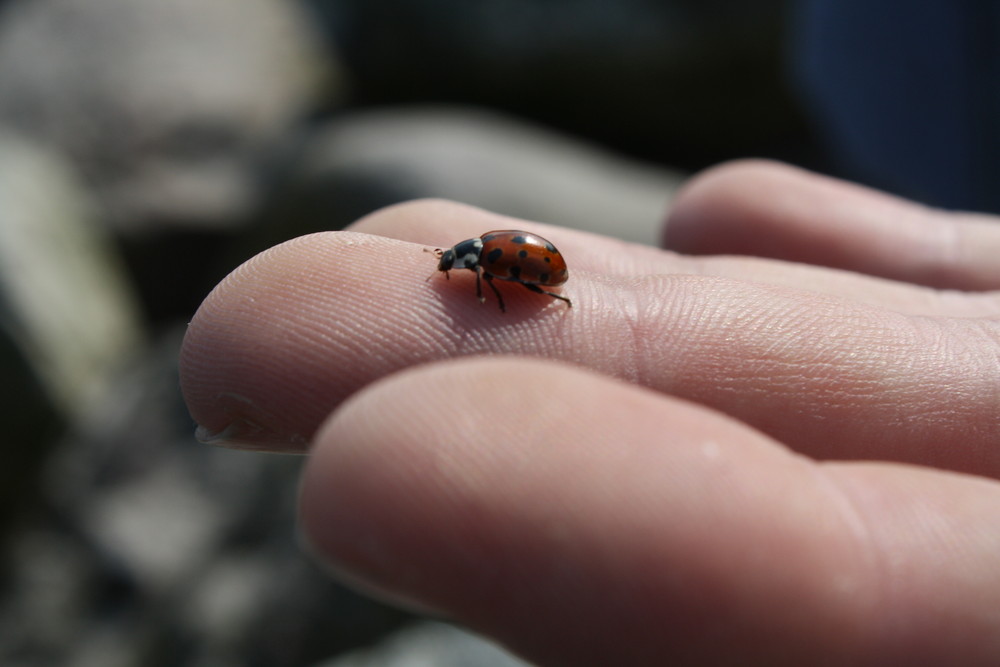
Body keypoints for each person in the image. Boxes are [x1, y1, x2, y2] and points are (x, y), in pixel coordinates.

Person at [179, 160, 1000, 664]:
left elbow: (508, 276)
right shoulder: (484, 261)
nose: (455, 272)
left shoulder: (492, 269)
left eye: (459, 266)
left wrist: (518, 290)